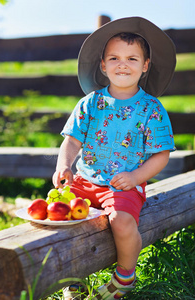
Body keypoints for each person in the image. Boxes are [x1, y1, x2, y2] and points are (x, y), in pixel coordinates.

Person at [52, 17, 176, 300]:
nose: (123, 64)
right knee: (63, 217)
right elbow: (71, 141)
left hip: (123, 185)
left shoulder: (151, 108)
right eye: (115, 58)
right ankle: (73, 278)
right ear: (103, 65)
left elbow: (161, 155)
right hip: (84, 179)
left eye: (132, 58)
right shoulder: (91, 103)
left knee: (121, 220)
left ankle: (125, 276)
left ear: (145, 66)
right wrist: (64, 166)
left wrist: (135, 178)